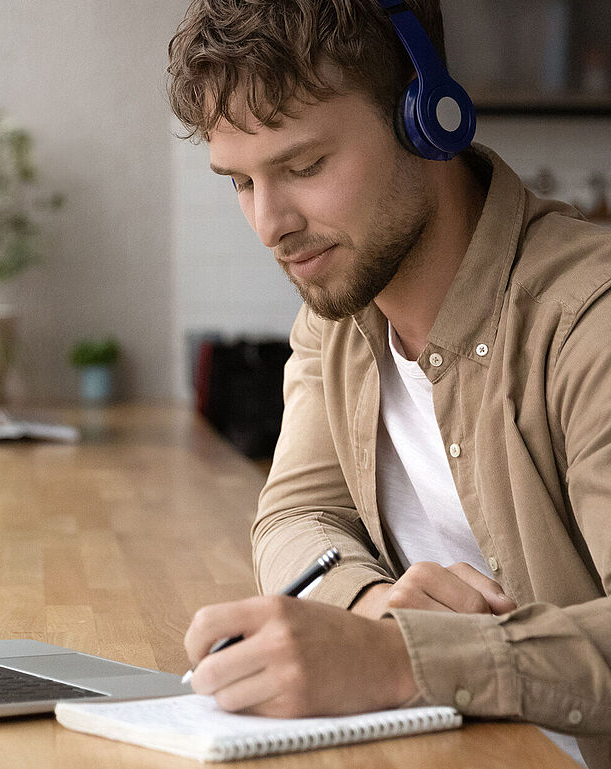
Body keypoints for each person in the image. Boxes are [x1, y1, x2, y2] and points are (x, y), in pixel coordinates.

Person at [166, 2, 611, 767]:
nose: (270, 223)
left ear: (428, 118)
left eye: (304, 166)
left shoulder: (586, 322)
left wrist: (402, 658)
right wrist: (368, 610)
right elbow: (296, 515)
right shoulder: (337, 315)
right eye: (240, 181)